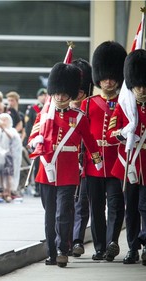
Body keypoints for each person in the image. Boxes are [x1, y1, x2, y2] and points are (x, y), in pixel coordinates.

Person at [28, 62, 102, 267]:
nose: (60, 97)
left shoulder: (78, 117)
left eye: (63, 94)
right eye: (57, 94)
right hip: (46, 170)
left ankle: (62, 249)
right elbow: (32, 136)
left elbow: (90, 141)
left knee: (63, 212)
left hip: (68, 171)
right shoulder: (44, 115)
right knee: (49, 214)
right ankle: (51, 252)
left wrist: (97, 160)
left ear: (70, 94)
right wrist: (35, 141)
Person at [81, 41, 126, 262]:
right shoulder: (88, 104)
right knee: (96, 208)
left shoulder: (124, 103)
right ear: (98, 78)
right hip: (93, 164)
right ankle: (99, 247)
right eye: (104, 77)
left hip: (117, 162)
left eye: (112, 77)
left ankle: (112, 242)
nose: (108, 81)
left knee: (116, 205)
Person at [107, 49, 146, 266]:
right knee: (130, 208)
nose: (141, 89)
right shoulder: (125, 106)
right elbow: (110, 135)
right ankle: (132, 247)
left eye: (143, 85)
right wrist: (125, 133)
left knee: (145, 206)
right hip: (129, 163)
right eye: (137, 84)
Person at [69, 58, 94, 257]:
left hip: (84, 162)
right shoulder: (59, 110)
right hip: (64, 164)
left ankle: (77, 240)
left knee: (81, 203)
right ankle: (66, 239)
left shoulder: (89, 108)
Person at [0, 113, 22, 202]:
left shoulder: (12, 130)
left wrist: (3, 128)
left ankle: (9, 192)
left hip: (8, 155)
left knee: (8, 174)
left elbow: (11, 137)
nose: (3, 121)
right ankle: (2, 191)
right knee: (0, 174)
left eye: (5, 119)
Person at [24, 88, 48, 197]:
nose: (43, 97)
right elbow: (29, 126)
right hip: (37, 140)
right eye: (41, 95)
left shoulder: (49, 107)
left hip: (46, 141)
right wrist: (31, 140)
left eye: (45, 95)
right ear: (38, 97)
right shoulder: (33, 109)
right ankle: (38, 187)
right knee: (37, 164)